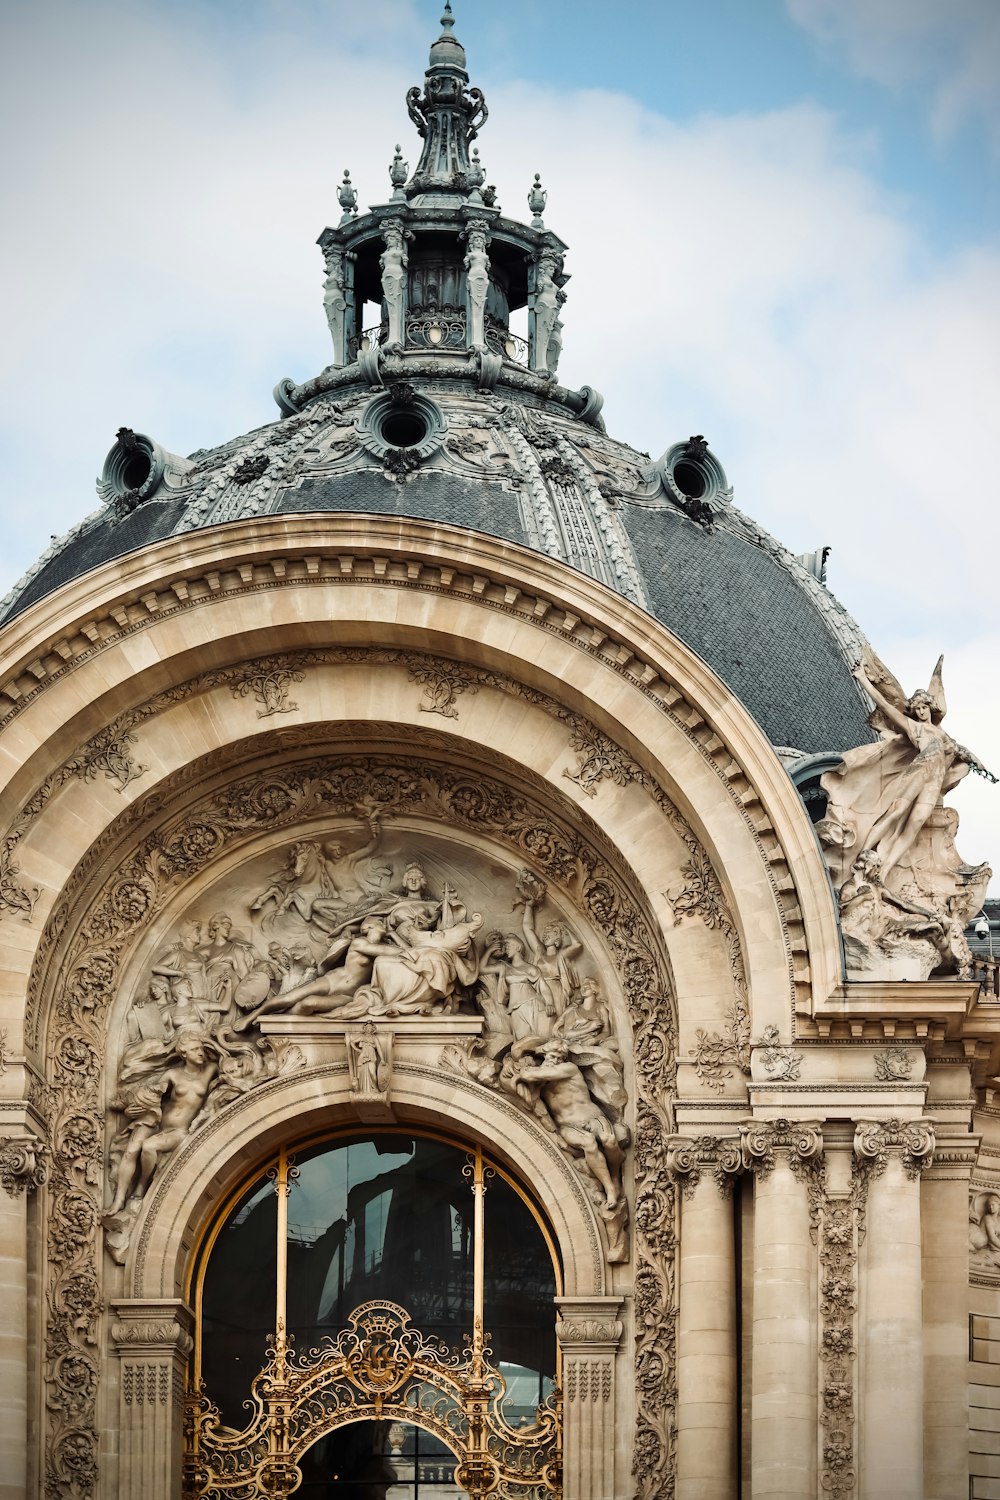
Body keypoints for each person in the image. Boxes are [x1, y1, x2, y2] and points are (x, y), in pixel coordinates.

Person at [106, 1028, 218, 1215]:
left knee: (149, 1147)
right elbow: (153, 1095)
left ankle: (141, 1185)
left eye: (201, 1048)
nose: (200, 1052)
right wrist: (132, 1106)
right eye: (194, 1049)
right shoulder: (172, 1075)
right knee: (131, 1150)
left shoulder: (210, 1070)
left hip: (179, 1131)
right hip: (156, 1122)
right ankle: (118, 1199)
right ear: (184, 1053)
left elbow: (224, 1055)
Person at [514, 1037, 624, 1209]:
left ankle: (615, 1175)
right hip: (567, 1126)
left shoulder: (568, 1068)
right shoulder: (540, 1083)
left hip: (592, 1117)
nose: (556, 1060)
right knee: (588, 1142)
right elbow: (530, 1099)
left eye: (560, 1057)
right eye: (552, 1056)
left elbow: (529, 1075)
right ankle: (609, 1187)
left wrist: (524, 1070)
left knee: (609, 1140)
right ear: (545, 1055)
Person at [235, 916, 399, 1026]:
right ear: (368, 926)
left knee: (308, 1003)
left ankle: (274, 1019)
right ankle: (252, 1017)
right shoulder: (360, 943)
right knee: (288, 998)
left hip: (348, 995)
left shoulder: (385, 947)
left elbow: (407, 953)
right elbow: (391, 952)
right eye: (381, 921)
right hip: (332, 980)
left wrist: (395, 936)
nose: (386, 924)